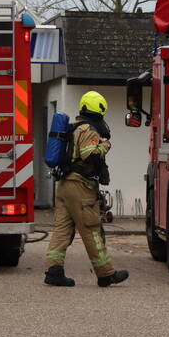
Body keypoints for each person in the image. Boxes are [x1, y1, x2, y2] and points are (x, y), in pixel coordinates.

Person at [44, 91, 128, 288]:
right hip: (80, 186)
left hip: (64, 185)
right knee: (91, 229)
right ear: (98, 111)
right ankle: (106, 274)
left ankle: (53, 271)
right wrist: (105, 146)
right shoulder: (89, 130)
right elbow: (88, 155)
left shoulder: (74, 128)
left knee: (62, 230)